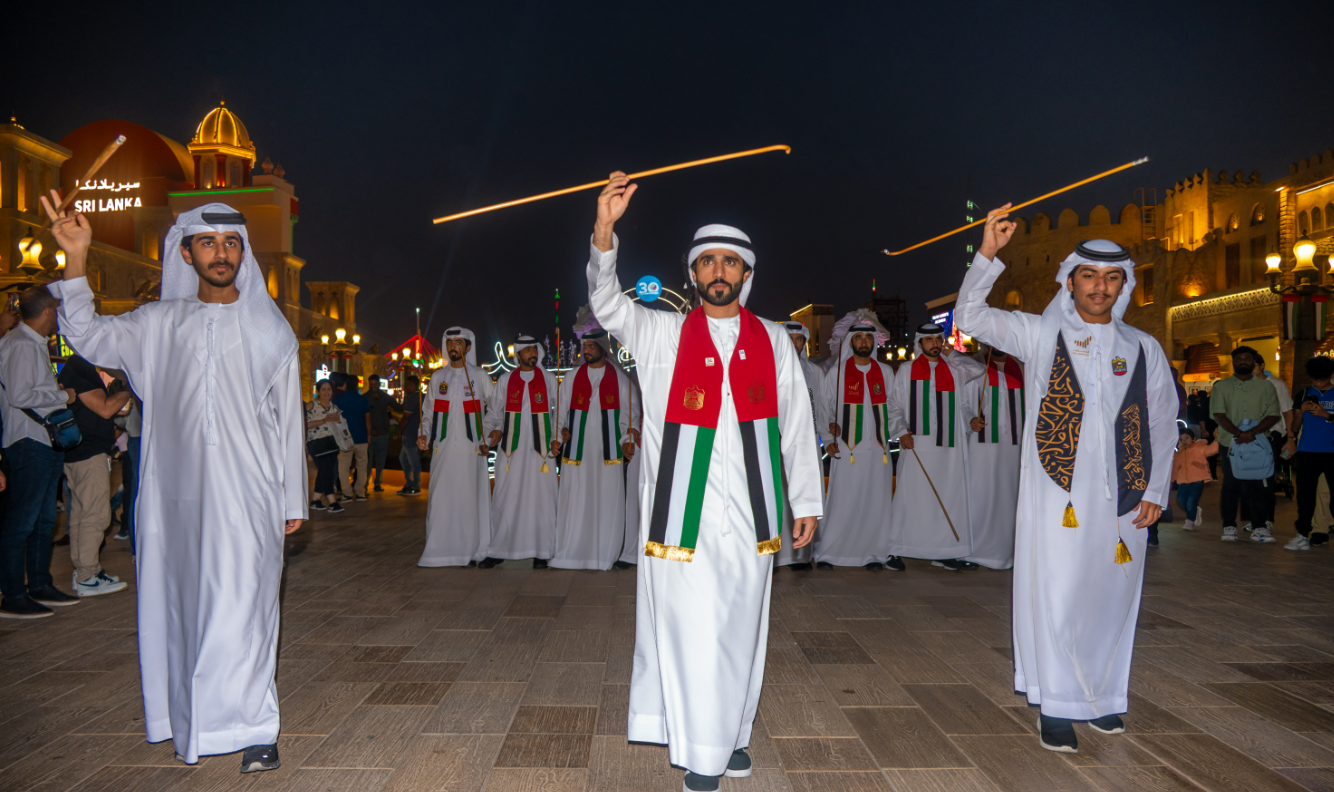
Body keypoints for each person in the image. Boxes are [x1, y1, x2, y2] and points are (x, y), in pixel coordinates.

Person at [49, 197, 305, 772]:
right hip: (175, 499)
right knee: (187, 606)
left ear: (243, 252)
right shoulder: (158, 324)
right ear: (186, 252)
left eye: (232, 242)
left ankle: (256, 726)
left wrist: (292, 499)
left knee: (250, 605)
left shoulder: (269, 328)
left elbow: (287, 418)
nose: (222, 253)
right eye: (209, 243)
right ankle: (191, 719)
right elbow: (86, 335)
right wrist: (75, 258)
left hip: (251, 494)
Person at [587, 172, 821, 792]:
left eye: (730, 262)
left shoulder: (772, 340)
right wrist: (605, 230)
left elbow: (796, 426)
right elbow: (607, 303)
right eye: (708, 262)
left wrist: (806, 499)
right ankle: (702, 751)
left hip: (752, 511)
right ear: (692, 273)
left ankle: (731, 734)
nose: (719, 271)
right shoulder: (659, 331)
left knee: (742, 624)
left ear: (746, 273)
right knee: (691, 627)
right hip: (677, 515)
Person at [955, 205, 1176, 754]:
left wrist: (1155, 490)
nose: (1099, 288)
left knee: (1111, 594)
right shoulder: (1037, 333)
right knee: (1057, 590)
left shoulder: (1143, 348)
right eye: (1088, 276)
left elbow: (1161, 423)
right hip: (1057, 493)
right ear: (1069, 281)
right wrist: (988, 253)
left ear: (1123, 285)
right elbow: (970, 316)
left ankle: (1099, 696)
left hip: (1125, 496)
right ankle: (1055, 702)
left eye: (1111, 278)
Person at [0, 285, 81, 619]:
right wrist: (63, 397)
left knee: (45, 520)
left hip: (43, 442)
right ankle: (13, 594)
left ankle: (39, 584)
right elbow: (19, 395)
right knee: (22, 522)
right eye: (56, 311)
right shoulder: (19, 345)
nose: (58, 318)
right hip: (28, 442)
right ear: (48, 311)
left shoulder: (30, 344)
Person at [886, 323, 985, 571]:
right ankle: (895, 549)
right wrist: (900, 431)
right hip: (917, 444)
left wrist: (970, 418)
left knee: (950, 496)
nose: (934, 344)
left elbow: (977, 371)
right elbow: (894, 405)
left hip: (950, 447)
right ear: (919, 344)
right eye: (929, 341)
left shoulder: (953, 369)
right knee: (911, 497)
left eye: (938, 340)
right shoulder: (907, 370)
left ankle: (945, 551)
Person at [816, 314, 897, 569]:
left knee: (875, 503)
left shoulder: (884, 372)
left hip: (878, 451)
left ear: (873, 342)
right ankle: (832, 552)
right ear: (851, 342)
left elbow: (893, 409)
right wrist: (829, 437)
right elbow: (824, 409)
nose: (864, 341)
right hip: (847, 449)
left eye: (868, 337)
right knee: (844, 501)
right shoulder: (837, 373)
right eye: (859, 337)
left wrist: (902, 431)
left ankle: (873, 553)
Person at [550, 327, 632, 570]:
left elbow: (630, 413)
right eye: (584, 346)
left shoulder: (620, 377)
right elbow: (561, 413)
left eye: (591, 346)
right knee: (576, 499)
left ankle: (604, 554)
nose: (586, 350)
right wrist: (560, 433)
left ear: (603, 348)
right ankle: (572, 552)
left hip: (609, 453)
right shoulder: (573, 377)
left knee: (606, 501)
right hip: (577, 452)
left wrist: (627, 438)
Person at [417, 327, 493, 567]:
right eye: (449, 342)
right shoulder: (438, 377)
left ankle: (472, 551)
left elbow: (495, 409)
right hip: (443, 450)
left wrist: (487, 438)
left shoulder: (480, 376)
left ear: (468, 347)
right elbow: (427, 413)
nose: (453, 347)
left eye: (458, 343)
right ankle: (439, 552)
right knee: (441, 498)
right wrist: (424, 434)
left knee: (469, 499)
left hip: (472, 451)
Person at [481, 336, 559, 568]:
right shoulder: (505, 380)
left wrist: (556, 439)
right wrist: (491, 433)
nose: (532, 352)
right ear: (518, 355)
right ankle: (498, 549)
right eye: (527, 350)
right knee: (506, 496)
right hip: (510, 453)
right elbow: (495, 413)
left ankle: (542, 551)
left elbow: (560, 413)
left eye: (535, 349)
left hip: (542, 453)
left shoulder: (549, 379)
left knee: (542, 499)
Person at [57, 355, 131, 596]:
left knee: (81, 515)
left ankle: (84, 573)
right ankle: (88, 576)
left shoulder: (78, 368)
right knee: (96, 515)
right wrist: (130, 388)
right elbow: (106, 408)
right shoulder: (79, 368)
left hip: (80, 453)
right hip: (88, 454)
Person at [1210, 346, 1281, 543]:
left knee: (1258, 483)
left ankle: (1259, 527)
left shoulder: (1266, 387)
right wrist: (1239, 433)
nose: (1243, 361)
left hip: (1257, 443)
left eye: (1247, 358)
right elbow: (1218, 414)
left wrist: (1251, 433)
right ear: (1233, 362)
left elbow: (1274, 414)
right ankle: (1229, 526)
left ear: (1254, 362)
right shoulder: (1221, 387)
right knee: (1231, 484)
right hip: (1230, 443)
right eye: (1239, 358)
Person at [963, 345, 1024, 569]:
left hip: (1013, 445)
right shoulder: (976, 369)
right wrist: (971, 419)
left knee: (1009, 496)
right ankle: (975, 551)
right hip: (983, 444)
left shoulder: (1020, 367)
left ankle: (1007, 552)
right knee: (981, 494)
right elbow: (963, 403)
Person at [775, 321, 824, 571]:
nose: (794, 344)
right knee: (779, 496)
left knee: (803, 492)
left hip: (805, 442)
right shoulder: (768, 367)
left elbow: (821, 408)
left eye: (798, 339)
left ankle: (800, 556)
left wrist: (828, 433)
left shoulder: (813, 372)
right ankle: (775, 553)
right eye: (790, 338)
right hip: (775, 441)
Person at [1287, 355, 1334, 551]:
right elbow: (1295, 427)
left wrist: (1327, 415)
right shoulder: (1304, 393)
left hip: (1332, 451)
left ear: (1331, 375)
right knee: (1305, 495)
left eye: (1322, 379)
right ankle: (1302, 534)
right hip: (1308, 450)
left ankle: (1323, 530)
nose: (1319, 383)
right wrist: (1300, 413)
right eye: (1315, 379)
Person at [614, 371, 644, 570]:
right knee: (634, 497)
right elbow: (628, 415)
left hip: (673, 438)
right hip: (642, 442)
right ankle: (632, 552)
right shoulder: (634, 376)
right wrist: (627, 440)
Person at [306, 379, 345, 514]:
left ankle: (316, 500)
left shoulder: (333, 407)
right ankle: (332, 501)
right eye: (323, 389)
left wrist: (338, 420)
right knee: (327, 471)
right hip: (315, 442)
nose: (326, 392)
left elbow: (339, 426)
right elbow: (303, 424)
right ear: (318, 391)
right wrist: (323, 420)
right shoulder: (311, 405)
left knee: (324, 471)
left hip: (331, 443)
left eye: (329, 389)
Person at [332, 372, 370, 501]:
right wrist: (369, 435)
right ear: (357, 385)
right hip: (361, 437)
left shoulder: (338, 400)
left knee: (343, 466)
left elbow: (336, 419)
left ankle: (347, 494)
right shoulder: (363, 400)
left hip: (345, 439)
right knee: (362, 465)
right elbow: (367, 419)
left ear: (346, 384)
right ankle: (360, 493)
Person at [1172, 427, 1216, 531]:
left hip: (1197, 480)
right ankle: (1194, 511)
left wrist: (1217, 440)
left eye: (1187, 438)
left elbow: (1212, 450)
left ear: (1193, 439)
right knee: (1180, 500)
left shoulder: (1200, 449)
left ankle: (1190, 521)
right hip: (1183, 481)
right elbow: (1175, 468)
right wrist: (1171, 479)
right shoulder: (1178, 454)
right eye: (1181, 439)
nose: (1184, 441)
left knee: (1191, 500)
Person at [365, 375, 400, 493]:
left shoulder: (386, 397)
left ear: (379, 384)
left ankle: (377, 484)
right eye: (371, 384)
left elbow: (398, 407)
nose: (373, 386)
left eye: (375, 384)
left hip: (383, 433)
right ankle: (364, 484)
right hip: (369, 435)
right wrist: (369, 430)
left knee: (381, 460)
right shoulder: (365, 397)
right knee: (368, 461)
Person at [398, 375, 423, 495]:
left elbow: (406, 417)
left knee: (413, 460)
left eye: (406, 384)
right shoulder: (423, 396)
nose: (405, 387)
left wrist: (400, 430)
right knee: (403, 458)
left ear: (412, 384)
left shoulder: (412, 397)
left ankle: (415, 486)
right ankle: (409, 483)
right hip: (417, 432)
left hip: (410, 432)